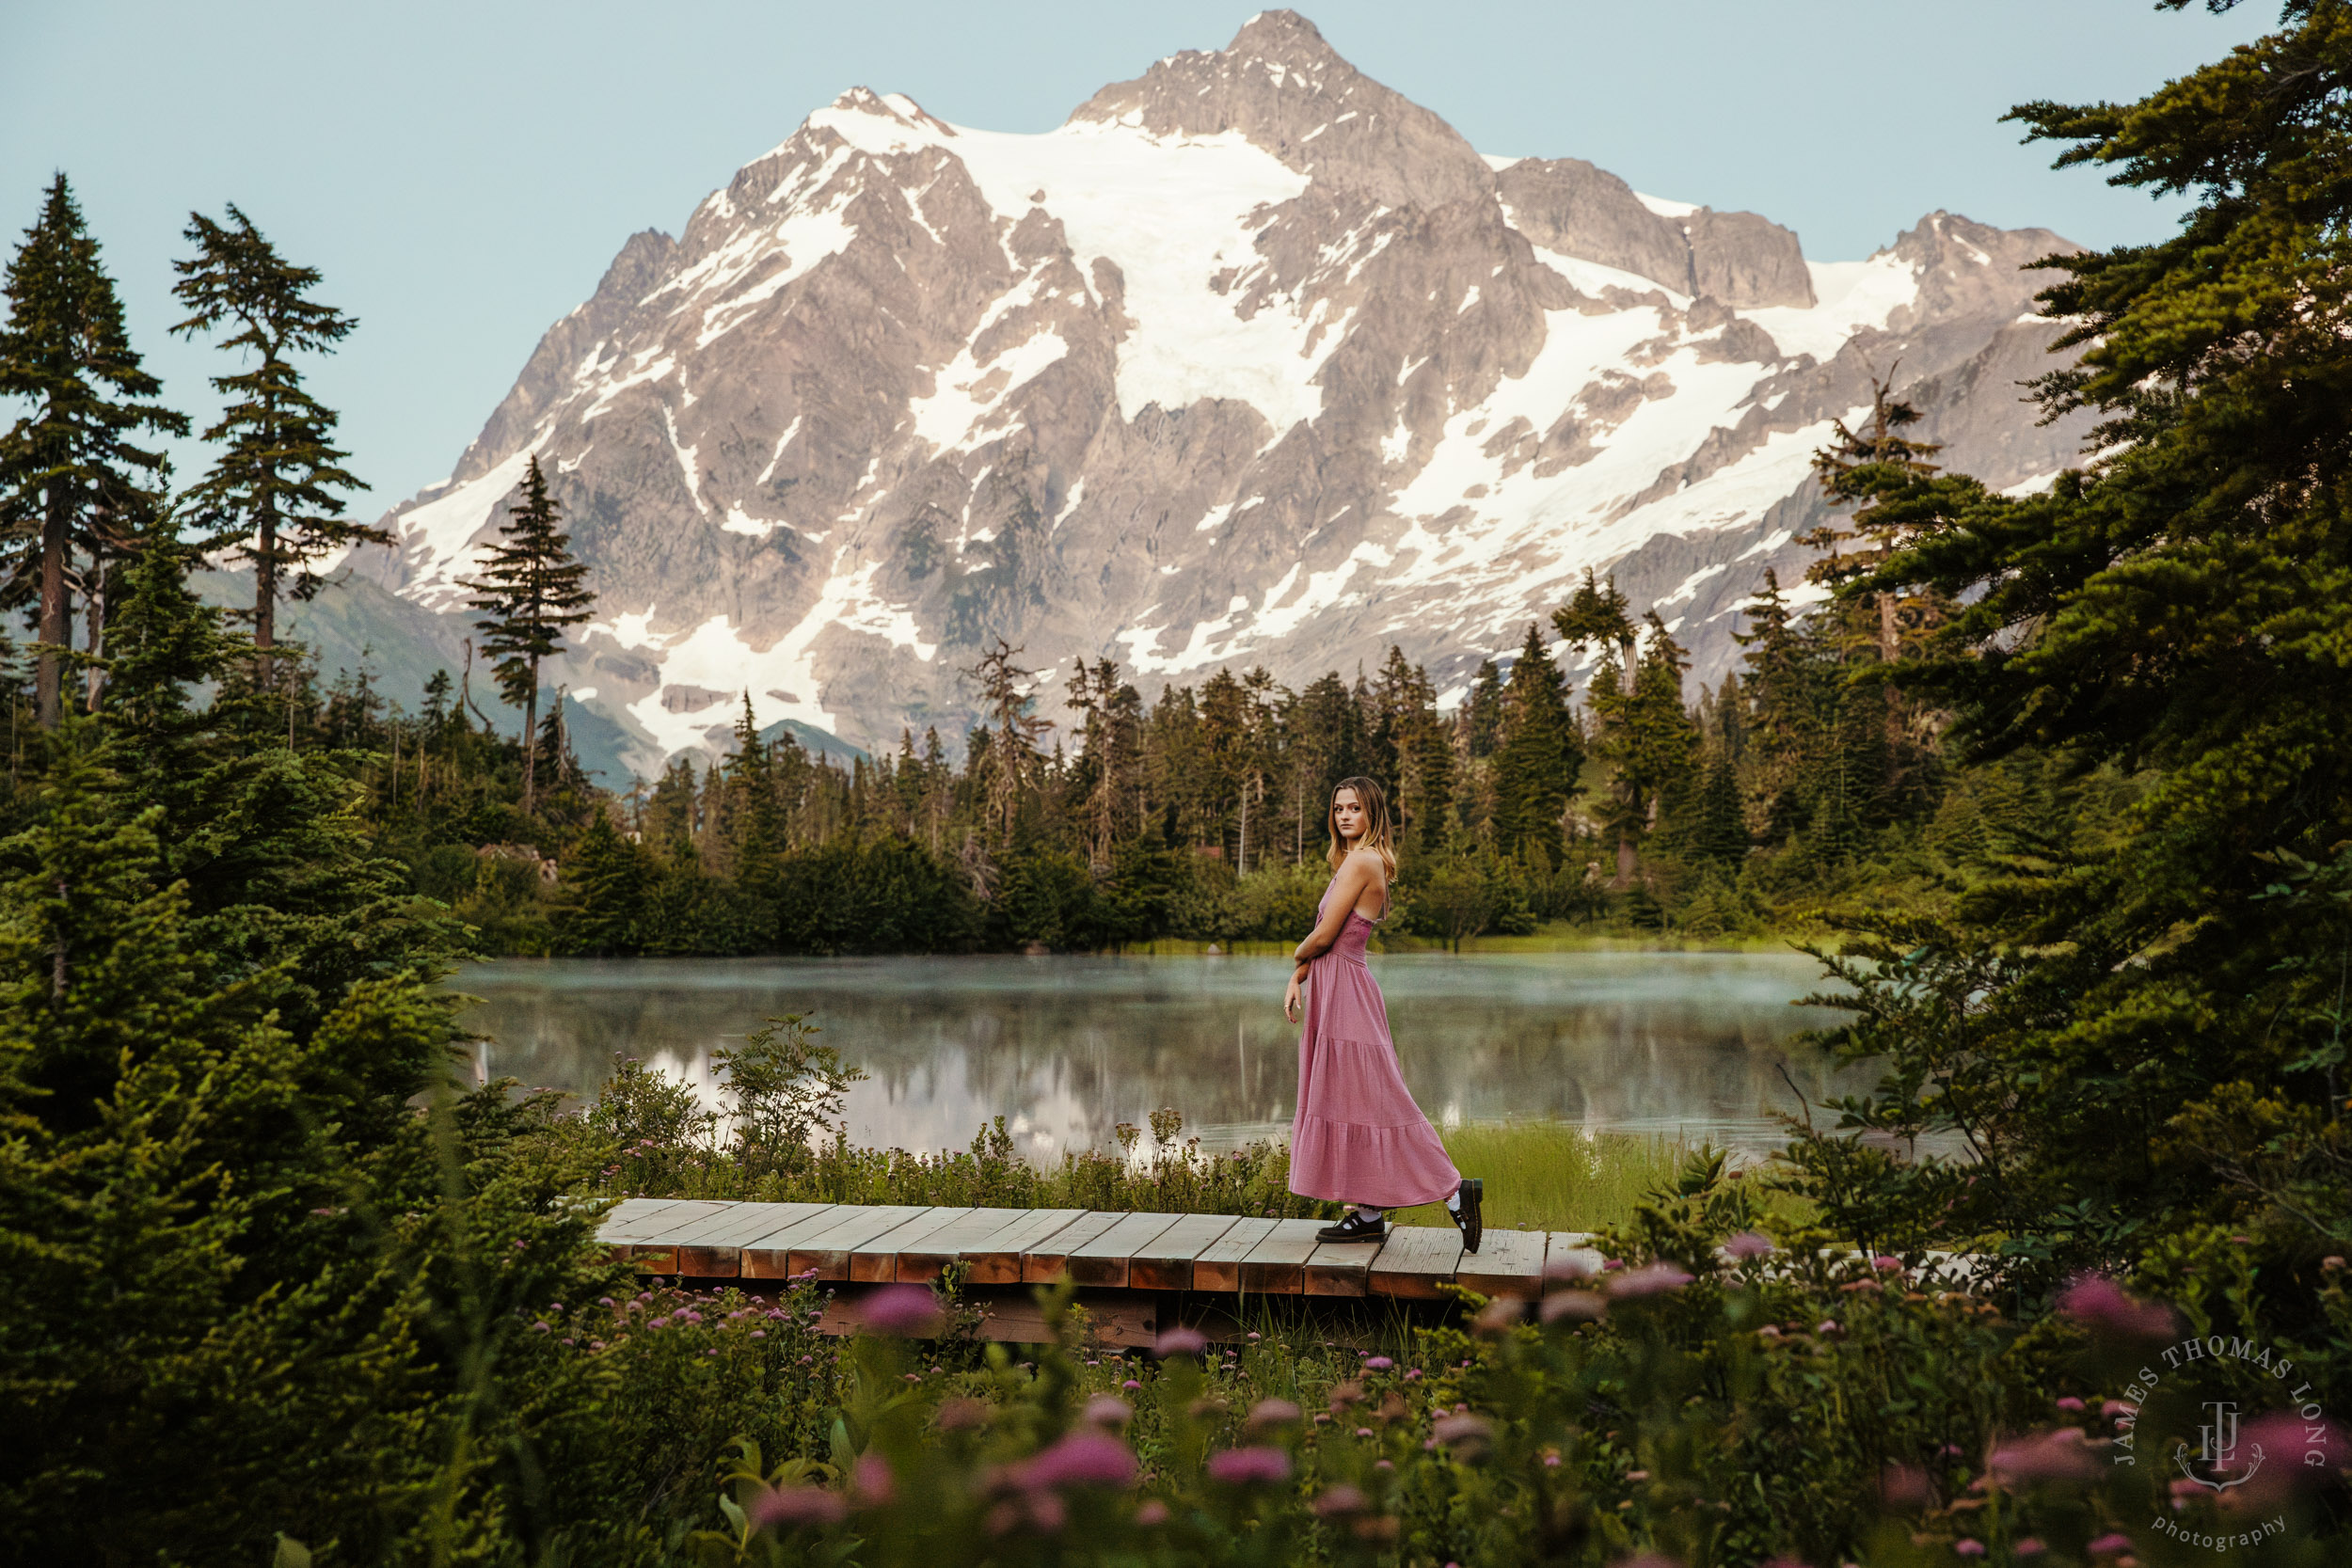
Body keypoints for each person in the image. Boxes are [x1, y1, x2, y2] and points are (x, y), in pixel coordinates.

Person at [1284, 776, 1483, 1250]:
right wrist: (1301, 976)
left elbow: (1325, 936)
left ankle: (1457, 1193)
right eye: (1338, 809)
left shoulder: (1363, 861)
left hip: (1347, 993)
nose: (1345, 816)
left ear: (1372, 814)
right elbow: (1329, 943)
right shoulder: (1352, 861)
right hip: (1334, 989)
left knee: (1381, 1098)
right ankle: (1368, 1213)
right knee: (1346, 1097)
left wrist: (1295, 958)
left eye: (1355, 808)